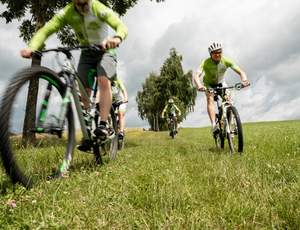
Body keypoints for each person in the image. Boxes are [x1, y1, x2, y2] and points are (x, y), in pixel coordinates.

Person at [20, 0, 128, 150]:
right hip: (86, 54)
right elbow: (47, 29)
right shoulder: (68, 12)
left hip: (106, 52)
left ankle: (103, 125)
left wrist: (116, 38)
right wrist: (32, 46)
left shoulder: (97, 7)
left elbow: (120, 25)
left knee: (103, 79)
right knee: (84, 94)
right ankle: (88, 133)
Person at [193, 42, 250, 134]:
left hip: (221, 83)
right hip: (209, 84)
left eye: (219, 52)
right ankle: (214, 125)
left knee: (229, 101)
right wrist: (199, 85)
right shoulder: (205, 62)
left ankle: (230, 123)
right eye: (215, 53)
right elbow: (196, 75)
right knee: (210, 99)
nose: (217, 54)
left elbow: (241, 71)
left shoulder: (226, 61)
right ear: (210, 54)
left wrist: (244, 80)